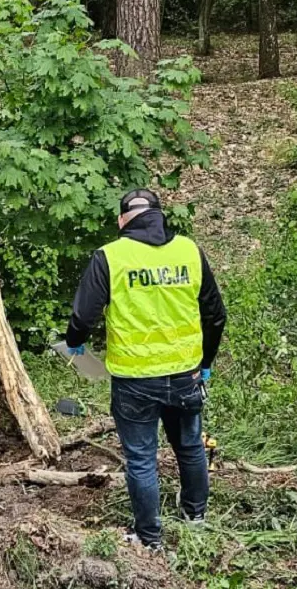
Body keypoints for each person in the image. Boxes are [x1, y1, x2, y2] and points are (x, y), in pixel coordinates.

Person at [65, 189, 226, 551]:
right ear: (158, 214)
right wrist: (205, 364)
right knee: (190, 446)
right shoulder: (189, 251)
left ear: (123, 220)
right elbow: (215, 315)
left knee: (141, 459)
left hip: (134, 380)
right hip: (185, 375)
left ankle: (149, 538)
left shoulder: (110, 256)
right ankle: (196, 517)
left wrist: (74, 341)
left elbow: (84, 316)